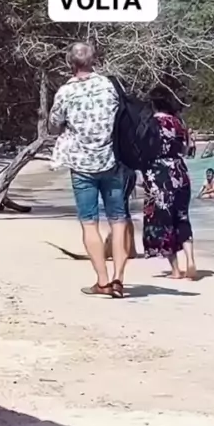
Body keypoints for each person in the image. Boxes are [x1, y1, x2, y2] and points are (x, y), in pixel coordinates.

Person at [49, 41, 130, 298]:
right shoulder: (110, 85)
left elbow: (54, 124)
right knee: (118, 221)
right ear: (94, 60)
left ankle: (102, 281)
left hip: (81, 164)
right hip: (113, 162)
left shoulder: (65, 92)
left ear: (69, 63)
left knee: (89, 223)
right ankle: (118, 279)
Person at [142, 88, 197, 280]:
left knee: (164, 222)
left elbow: (143, 151)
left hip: (159, 176)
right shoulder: (178, 123)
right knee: (182, 217)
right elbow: (187, 150)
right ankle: (190, 260)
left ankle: (175, 270)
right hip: (180, 173)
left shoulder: (149, 124)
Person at [104, 167, 137, 260]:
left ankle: (124, 248)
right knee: (121, 207)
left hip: (122, 171)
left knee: (119, 207)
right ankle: (128, 247)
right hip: (121, 171)